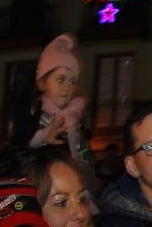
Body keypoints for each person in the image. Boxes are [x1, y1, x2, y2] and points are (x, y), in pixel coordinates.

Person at [10, 34, 92, 170]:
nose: (67, 87)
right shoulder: (31, 116)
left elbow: (85, 160)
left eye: (72, 82)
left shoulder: (74, 119)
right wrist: (40, 138)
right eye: (60, 79)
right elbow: (16, 154)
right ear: (43, 83)